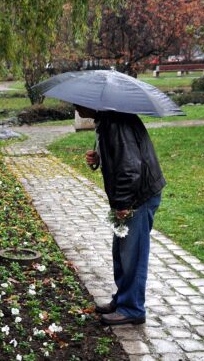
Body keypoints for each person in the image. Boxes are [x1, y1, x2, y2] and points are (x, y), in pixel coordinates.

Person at [75, 104, 166, 326]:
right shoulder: (107, 119)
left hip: (137, 197)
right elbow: (122, 157)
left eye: (77, 104)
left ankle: (132, 308)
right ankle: (123, 299)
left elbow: (130, 167)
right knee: (122, 252)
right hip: (131, 196)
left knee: (132, 255)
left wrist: (124, 203)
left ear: (90, 103)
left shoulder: (115, 123)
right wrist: (100, 159)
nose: (76, 109)